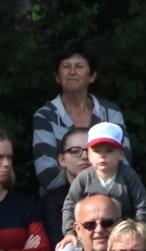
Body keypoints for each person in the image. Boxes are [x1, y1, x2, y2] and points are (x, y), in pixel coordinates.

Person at [30, 39, 129, 192]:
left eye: (79, 66)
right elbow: (47, 175)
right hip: (59, 204)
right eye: (66, 66)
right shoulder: (45, 116)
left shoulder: (110, 113)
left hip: (109, 201)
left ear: (92, 76)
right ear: (57, 76)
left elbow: (124, 165)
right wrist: (102, 168)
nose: (72, 72)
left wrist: (71, 168)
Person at [60, 122, 146, 236]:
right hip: (91, 234)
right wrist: (69, 233)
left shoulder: (129, 175)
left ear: (121, 154)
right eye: (97, 151)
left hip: (123, 236)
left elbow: (142, 207)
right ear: (89, 155)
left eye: (109, 151)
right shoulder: (84, 177)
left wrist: (137, 233)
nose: (102, 156)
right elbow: (70, 205)